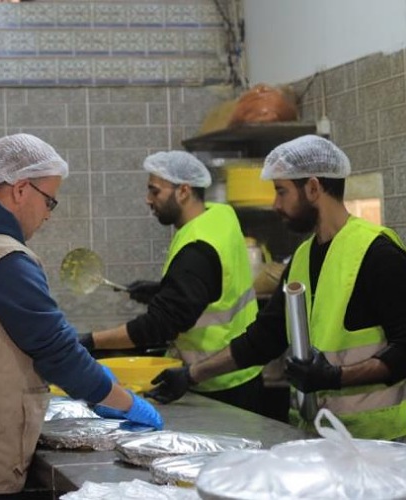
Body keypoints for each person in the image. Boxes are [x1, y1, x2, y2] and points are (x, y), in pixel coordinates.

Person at [0, 134, 163, 499]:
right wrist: (122, 400)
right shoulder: (2, 258)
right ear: (21, 189)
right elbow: (58, 353)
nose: (48, 214)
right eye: (49, 200)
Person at [148, 135, 406, 440]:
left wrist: (336, 377)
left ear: (313, 188)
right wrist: (190, 375)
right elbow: (264, 338)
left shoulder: (377, 253)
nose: (275, 204)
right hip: (319, 437)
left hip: (379, 442)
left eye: (281, 191)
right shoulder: (303, 257)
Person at [81, 151, 264, 414]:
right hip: (242, 373)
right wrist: (163, 290)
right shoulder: (220, 216)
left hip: (219, 385)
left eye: (154, 191)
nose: (148, 199)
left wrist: (91, 341)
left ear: (184, 191)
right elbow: (212, 286)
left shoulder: (197, 247)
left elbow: (160, 325)